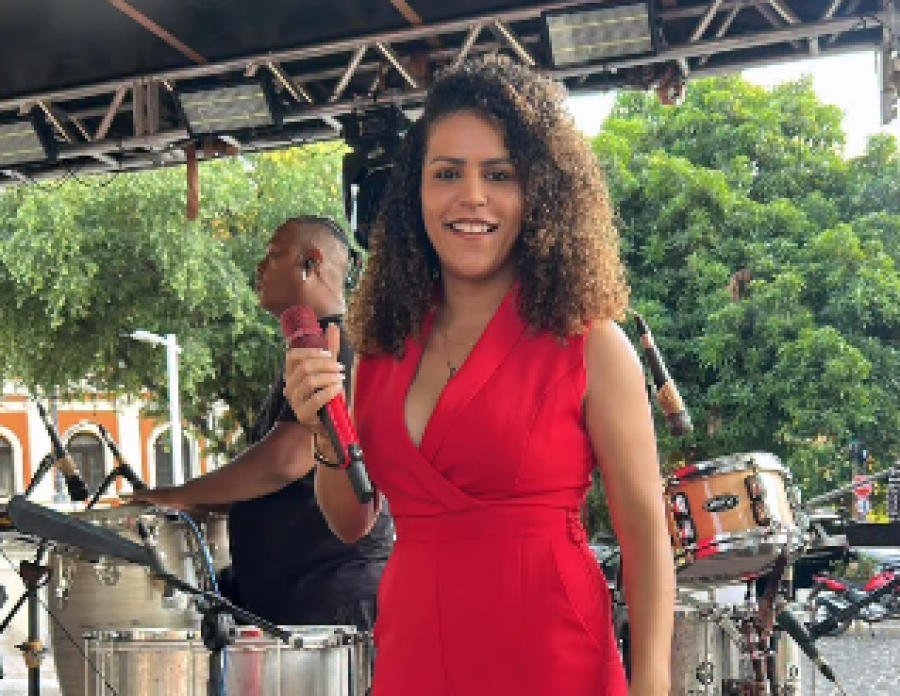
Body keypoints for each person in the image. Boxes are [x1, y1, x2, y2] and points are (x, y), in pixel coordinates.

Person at [285, 56, 674, 695]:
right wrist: (322, 430)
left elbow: (646, 536)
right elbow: (352, 522)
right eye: (447, 173)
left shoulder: (591, 344)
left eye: (499, 174)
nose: (472, 196)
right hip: (416, 657)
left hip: (552, 662)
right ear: (416, 195)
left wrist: (653, 684)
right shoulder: (380, 348)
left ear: (539, 194)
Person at [125, 216, 393, 630]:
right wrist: (196, 503)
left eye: (274, 255)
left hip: (331, 601)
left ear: (311, 262)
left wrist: (176, 495)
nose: (260, 267)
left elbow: (286, 461)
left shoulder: (336, 347)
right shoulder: (313, 346)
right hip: (301, 600)